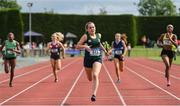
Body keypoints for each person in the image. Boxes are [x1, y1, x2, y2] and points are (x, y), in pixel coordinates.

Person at [76, 22, 108, 102]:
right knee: (90, 78)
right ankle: (92, 85)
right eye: (90, 28)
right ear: (87, 29)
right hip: (88, 59)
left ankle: (94, 94)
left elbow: (99, 43)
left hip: (97, 58)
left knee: (95, 75)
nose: (92, 29)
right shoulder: (85, 36)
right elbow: (77, 46)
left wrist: (105, 51)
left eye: (93, 27)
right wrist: (85, 46)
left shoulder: (99, 35)